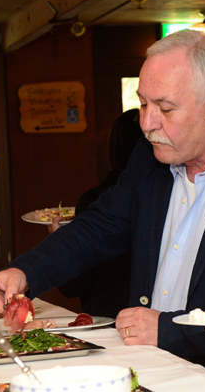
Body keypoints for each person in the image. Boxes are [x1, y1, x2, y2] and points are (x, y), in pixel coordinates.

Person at [0, 29, 205, 391]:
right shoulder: (150, 157)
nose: (146, 123)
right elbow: (98, 226)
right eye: (143, 104)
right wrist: (25, 272)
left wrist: (172, 330)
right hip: (147, 370)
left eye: (165, 108)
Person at [50, 108, 144, 318]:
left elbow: (74, 285)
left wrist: (60, 238)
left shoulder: (96, 201)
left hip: (108, 324)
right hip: (157, 323)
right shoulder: (168, 195)